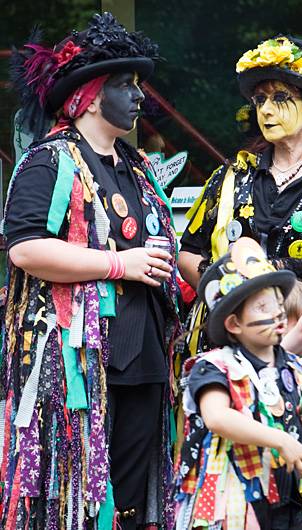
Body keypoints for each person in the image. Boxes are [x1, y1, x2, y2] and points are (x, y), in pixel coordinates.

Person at [0, 12, 180, 530]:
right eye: (127, 85)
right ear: (93, 95)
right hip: (79, 361)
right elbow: (26, 250)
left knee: (127, 496)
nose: (140, 97)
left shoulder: (137, 166)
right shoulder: (48, 162)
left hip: (143, 353)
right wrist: (119, 263)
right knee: (76, 494)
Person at [177, 35, 302, 529]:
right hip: (245, 351)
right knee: (250, 483)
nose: (267, 110)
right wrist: (227, 287)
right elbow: (189, 252)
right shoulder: (236, 174)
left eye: (281, 99)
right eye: (259, 101)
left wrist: (285, 276)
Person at [174, 237, 302, 530]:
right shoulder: (213, 367)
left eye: (278, 303)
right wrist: (280, 441)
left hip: (289, 503)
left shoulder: (294, 367)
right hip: (237, 503)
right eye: (263, 307)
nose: (276, 313)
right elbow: (217, 417)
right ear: (234, 324)